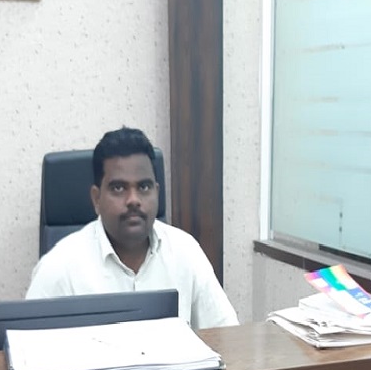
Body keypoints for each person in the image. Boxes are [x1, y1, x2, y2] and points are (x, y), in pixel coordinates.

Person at [26, 127, 239, 329]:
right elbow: (29, 348)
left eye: (144, 187)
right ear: (96, 198)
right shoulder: (59, 268)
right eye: (119, 188)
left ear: (157, 193)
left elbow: (225, 334)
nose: (133, 200)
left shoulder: (185, 251)